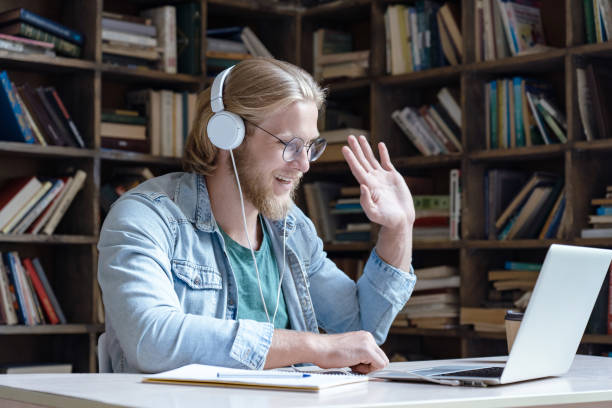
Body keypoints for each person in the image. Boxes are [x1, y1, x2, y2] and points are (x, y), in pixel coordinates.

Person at [97, 57, 416, 374]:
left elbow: (361, 329)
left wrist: (399, 228)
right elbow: (152, 341)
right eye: (290, 145)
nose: (304, 165)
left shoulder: (292, 228)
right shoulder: (145, 217)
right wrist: (316, 347)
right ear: (227, 134)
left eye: (309, 147)